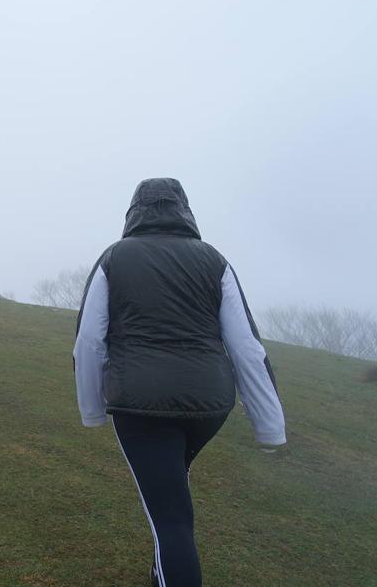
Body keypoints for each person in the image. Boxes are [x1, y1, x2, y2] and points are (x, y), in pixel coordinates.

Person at [73, 177, 286, 587]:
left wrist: (92, 411)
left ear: (133, 211)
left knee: (169, 521)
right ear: (185, 209)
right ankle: (160, 575)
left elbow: (88, 342)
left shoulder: (114, 258)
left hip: (138, 407)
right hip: (208, 408)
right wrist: (269, 427)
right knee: (171, 497)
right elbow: (246, 347)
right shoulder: (214, 260)